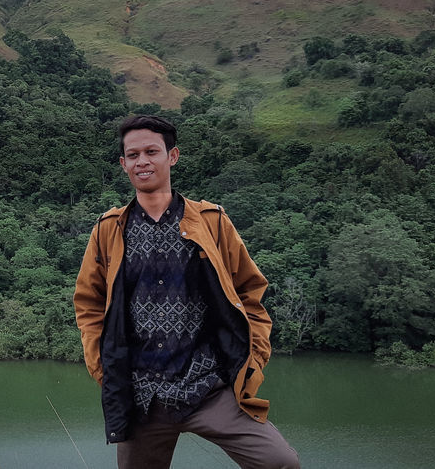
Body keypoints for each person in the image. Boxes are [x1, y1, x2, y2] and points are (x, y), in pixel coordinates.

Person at [73, 114, 300, 469]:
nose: (142, 162)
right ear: (123, 164)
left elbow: (250, 289)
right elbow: (88, 303)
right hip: (142, 395)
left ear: (172, 156)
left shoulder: (211, 221)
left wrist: (253, 358)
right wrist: (103, 368)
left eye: (152, 151)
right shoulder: (109, 230)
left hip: (209, 387)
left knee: (280, 462)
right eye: (133, 156)